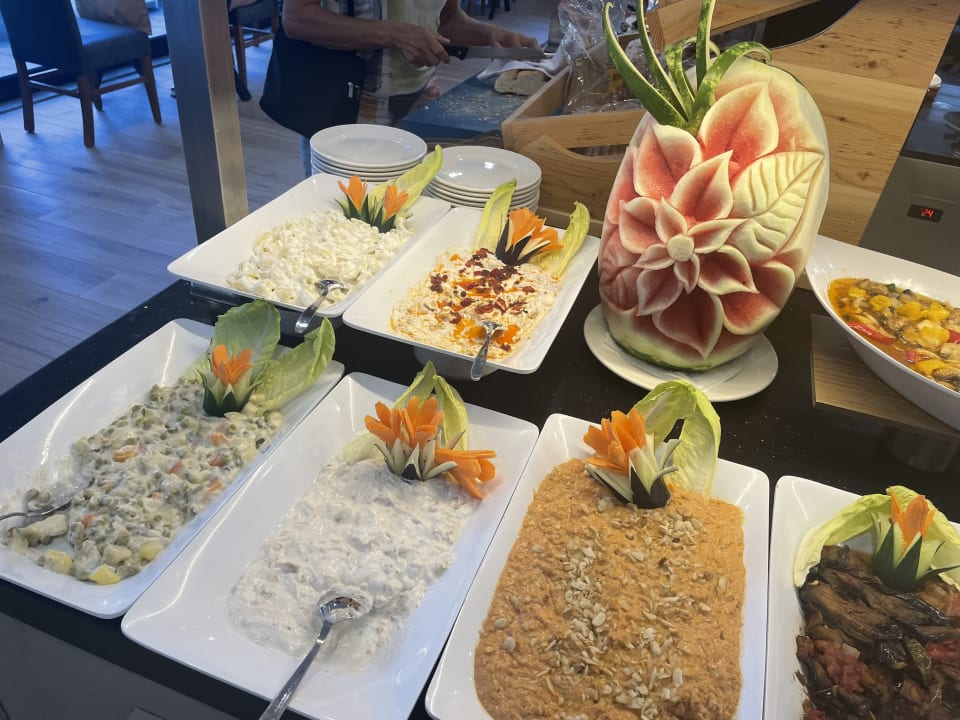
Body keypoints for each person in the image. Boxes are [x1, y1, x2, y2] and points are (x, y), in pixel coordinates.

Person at [278, 0, 541, 174]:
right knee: (343, 218)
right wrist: (393, 34)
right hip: (343, 108)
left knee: (404, 211)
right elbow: (298, 18)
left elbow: (446, 19)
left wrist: (486, 34)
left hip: (417, 104)